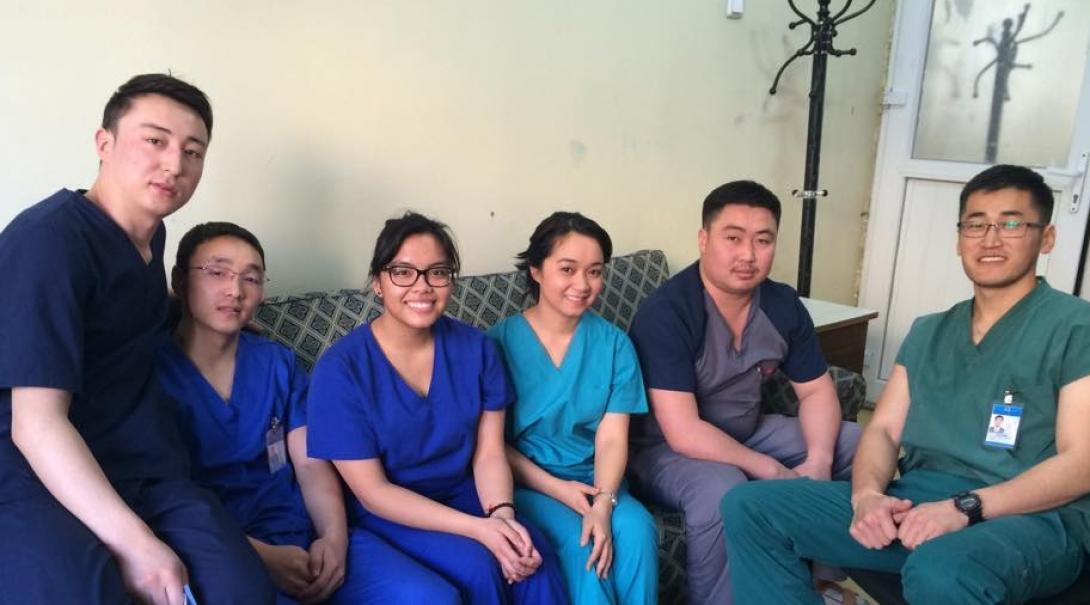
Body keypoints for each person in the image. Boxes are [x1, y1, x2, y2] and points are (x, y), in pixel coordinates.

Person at [722, 164, 1090, 604]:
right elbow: (882, 430)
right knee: (750, 507)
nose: (990, 239)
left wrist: (967, 507)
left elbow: (1082, 462)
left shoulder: (1074, 327)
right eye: (976, 224)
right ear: (959, 239)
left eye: (1011, 223)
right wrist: (867, 496)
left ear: (1045, 237)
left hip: (1031, 517)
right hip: (921, 502)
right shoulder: (929, 331)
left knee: (941, 568)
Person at [0, 75, 272, 604]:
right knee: (86, 590)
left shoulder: (152, 238)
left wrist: (204, 313)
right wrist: (135, 543)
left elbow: (120, 311)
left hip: (137, 460)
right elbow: (36, 423)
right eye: (156, 140)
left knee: (241, 589)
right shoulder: (47, 242)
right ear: (104, 143)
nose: (175, 164)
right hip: (32, 466)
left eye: (192, 152)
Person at [157, 222, 448, 604]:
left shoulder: (277, 363)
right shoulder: (151, 375)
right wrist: (264, 557)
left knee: (429, 597)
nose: (235, 290)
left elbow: (311, 465)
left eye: (251, 277)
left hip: (302, 531)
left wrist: (333, 539)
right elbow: (162, 499)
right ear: (180, 281)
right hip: (221, 552)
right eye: (217, 273)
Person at [306, 212, 569, 605]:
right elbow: (374, 492)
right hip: (389, 511)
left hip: (466, 493)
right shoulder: (341, 369)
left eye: (438, 272)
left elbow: (490, 454)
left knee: (533, 555)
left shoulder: (477, 349)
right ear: (378, 283)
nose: (422, 286)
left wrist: (501, 516)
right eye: (403, 272)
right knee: (479, 566)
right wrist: (478, 530)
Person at [626, 180, 861, 604]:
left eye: (763, 240)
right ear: (704, 239)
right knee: (724, 488)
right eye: (732, 238)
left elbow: (816, 392)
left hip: (746, 429)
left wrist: (820, 462)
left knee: (854, 443)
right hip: (665, 449)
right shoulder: (668, 312)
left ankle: (822, 579)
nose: (748, 255)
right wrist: (771, 470)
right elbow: (682, 431)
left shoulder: (781, 304)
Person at [488, 212, 658, 604]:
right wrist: (561, 492)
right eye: (568, 269)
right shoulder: (496, 344)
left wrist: (602, 503)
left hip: (598, 481)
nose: (583, 284)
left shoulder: (615, 345)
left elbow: (613, 437)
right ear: (536, 270)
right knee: (587, 550)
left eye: (595, 272)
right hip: (531, 484)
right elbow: (492, 447)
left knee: (637, 531)